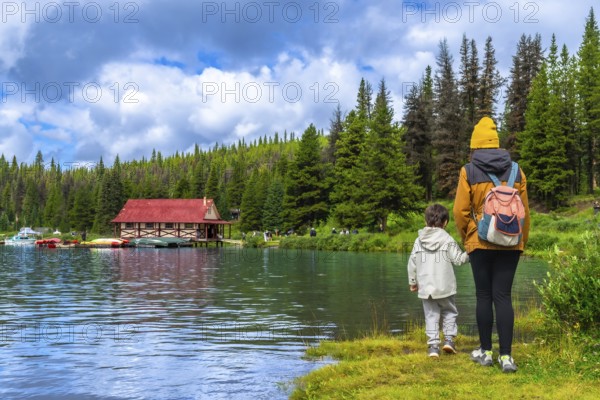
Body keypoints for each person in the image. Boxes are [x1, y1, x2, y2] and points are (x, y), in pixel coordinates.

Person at [453, 116, 530, 373]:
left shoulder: (468, 171)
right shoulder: (517, 170)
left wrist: (470, 237)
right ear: (497, 143)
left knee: (484, 296)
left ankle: (485, 352)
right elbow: (525, 214)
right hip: (511, 242)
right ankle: (506, 357)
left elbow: (460, 211)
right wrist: (521, 242)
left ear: (475, 145)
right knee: (503, 297)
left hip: (480, 243)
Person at [408, 203, 469, 358]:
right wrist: (470, 251)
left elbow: (412, 263)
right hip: (445, 287)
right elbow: (458, 260)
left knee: (431, 316)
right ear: (446, 222)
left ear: (425, 221)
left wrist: (413, 281)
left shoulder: (418, 240)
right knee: (449, 312)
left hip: (426, 288)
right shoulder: (447, 239)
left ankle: (433, 347)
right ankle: (449, 340)